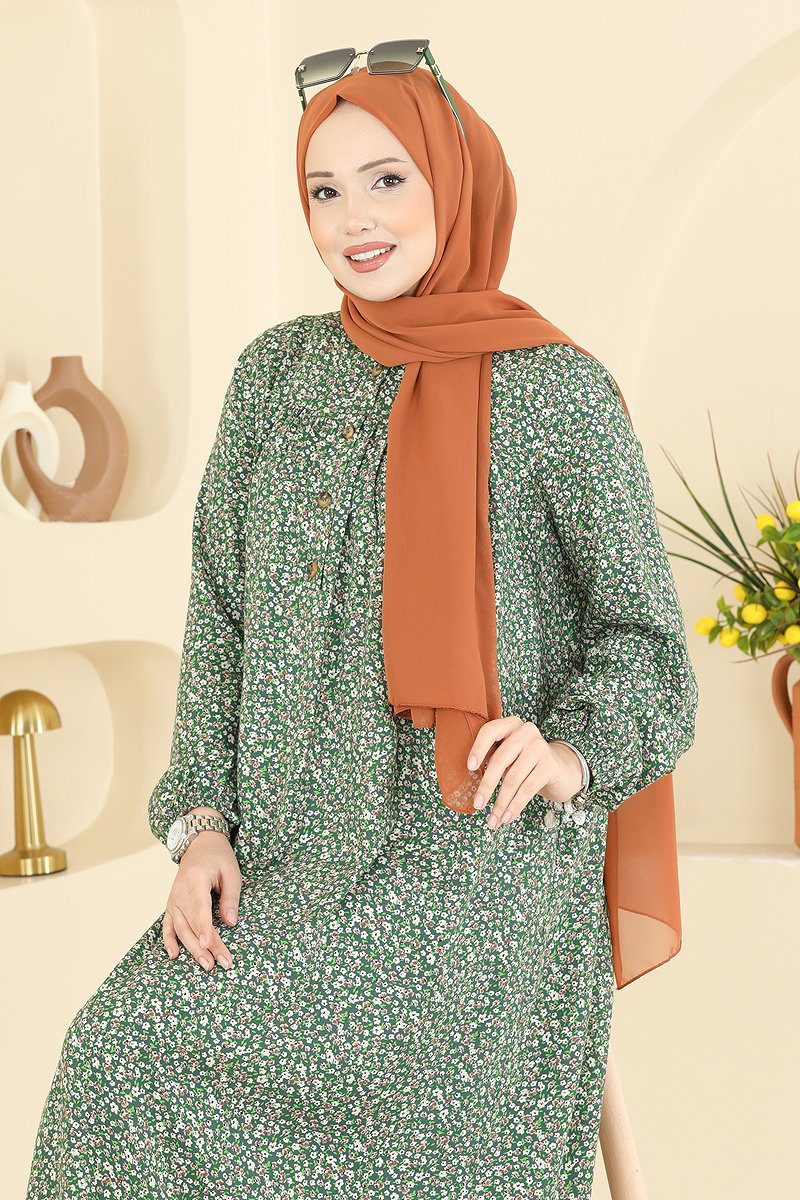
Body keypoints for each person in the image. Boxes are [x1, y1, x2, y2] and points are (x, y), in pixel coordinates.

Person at [26, 50, 699, 1198]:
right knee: (117, 1059)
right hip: (287, 864)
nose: (353, 220)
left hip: (476, 873)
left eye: (386, 180)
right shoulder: (272, 378)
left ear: (455, 182)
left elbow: (643, 640)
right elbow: (222, 619)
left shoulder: (553, 391)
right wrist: (200, 830)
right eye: (323, 191)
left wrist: (568, 751)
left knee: (425, 1127)